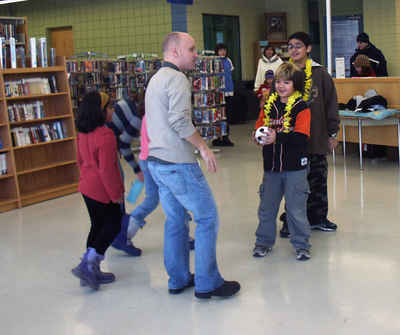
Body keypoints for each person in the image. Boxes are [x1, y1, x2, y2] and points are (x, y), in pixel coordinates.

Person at [145, 32, 240, 299]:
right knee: (207, 217)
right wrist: (202, 146)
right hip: (177, 163)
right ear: (174, 52)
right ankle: (208, 283)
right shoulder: (176, 79)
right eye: (191, 49)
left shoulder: (155, 79)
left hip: (157, 164)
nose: (196, 54)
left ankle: (178, 279)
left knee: (175, 221)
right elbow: (179, 121)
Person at [279, 32, 340, 238]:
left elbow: (331, 104)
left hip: (316, 137)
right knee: (294, 183)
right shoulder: (284, 73)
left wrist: (333, 132)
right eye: (290, 46)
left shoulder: (320, 74)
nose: (294, 50)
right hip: (291, 139)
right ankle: (290, 221)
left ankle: (318, 218)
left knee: (318, 179)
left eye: (298, 46)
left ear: (308, 48)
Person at [253, 62, 311, 261]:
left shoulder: (301, 107)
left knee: (296, 209)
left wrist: (277, 137)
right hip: (271, 167)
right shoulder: (269, 106)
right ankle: (263, 242)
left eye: (286, 82)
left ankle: (302, 245)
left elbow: (301, 137)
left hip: (295, 167)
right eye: (278, 81)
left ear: (296, 85)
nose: (281, 86)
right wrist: (258, 136)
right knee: (267, 208)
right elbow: (259, 127)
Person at [71, 91, 124, 290]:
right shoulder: (106, 135)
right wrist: (116, 195)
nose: (112, 111)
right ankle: (89, 264)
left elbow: (79, 160)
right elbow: (108, 170)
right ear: (100, 111)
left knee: (97, 225)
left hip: (86, 186)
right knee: (113, 224)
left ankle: (90, 267)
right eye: (109, 107)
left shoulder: (82, 132)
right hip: (102, 190)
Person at [125, 113, 195, 250]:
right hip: (164, 161)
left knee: (152, 199)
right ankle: (182, 237)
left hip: (146, 159)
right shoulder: (167, 117)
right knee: (177, 198)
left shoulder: (147, 116)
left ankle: (127, 231)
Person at [108, 97, 144, 256]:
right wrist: (137, 170)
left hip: (101, 142)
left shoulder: (129, 103)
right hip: (107, 147)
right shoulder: (137, 120)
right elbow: (124, 145)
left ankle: (116, 233)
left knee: (112, 191)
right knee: (116, 188)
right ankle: (120, 235)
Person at [212, 43, 235, 147]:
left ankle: (226, 137)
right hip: (217, 92)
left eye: (224, 50)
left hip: (228, 92)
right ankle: (217, 137)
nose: (223, 52)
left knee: (227, 116)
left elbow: (229, 75)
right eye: (221, 50)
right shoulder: (213, 61)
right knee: (216, 115)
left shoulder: (228, 61)